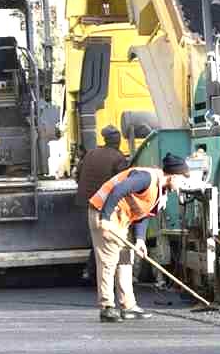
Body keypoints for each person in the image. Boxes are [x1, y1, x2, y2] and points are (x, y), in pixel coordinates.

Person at [86, 153, 192, 323]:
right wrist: (104, 218)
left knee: (126, 260)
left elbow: (143, 213)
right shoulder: (146, 178)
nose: (182, 185)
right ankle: (107, 308)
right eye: (182, 179)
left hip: (121, 217)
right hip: (103, 212)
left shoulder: (161, 190)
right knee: (109, 260)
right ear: (173, 175)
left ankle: (128, 306)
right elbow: (119, 189)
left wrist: (140, 240)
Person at [74, 126, 130, 280]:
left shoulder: (91, 153)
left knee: (95, 238)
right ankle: (95, 273)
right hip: (104, 203)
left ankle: (91, 271)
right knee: (105, 240)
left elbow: (77, 174)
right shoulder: (118, 158)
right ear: (117, 141)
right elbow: (122, 184)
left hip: (86, 201)